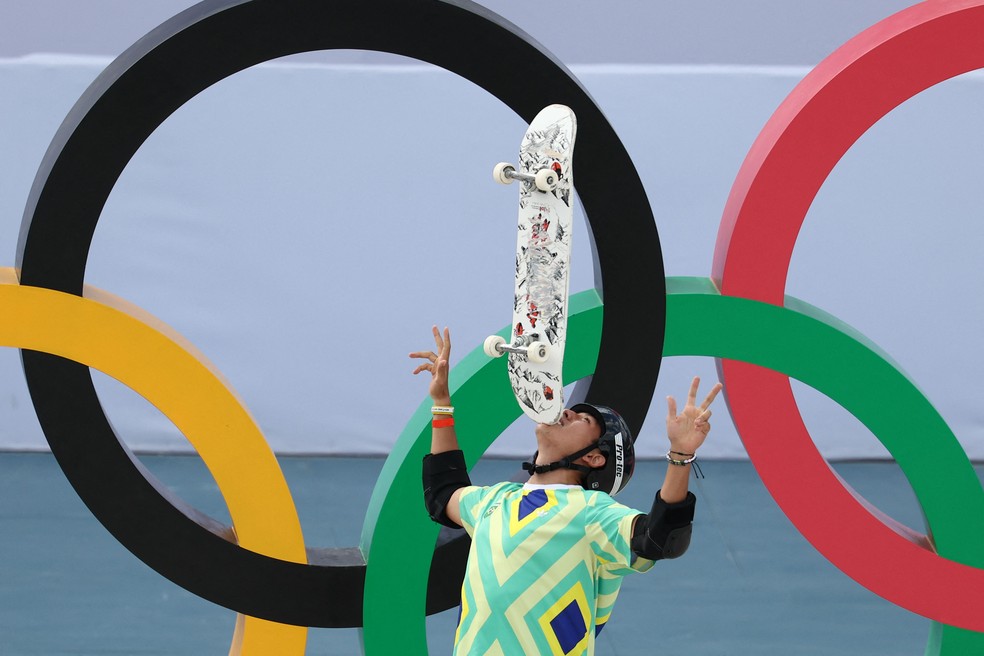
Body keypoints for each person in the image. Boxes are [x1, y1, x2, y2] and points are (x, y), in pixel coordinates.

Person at [412, 326, 722, 655]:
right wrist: (442, 403)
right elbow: (443, 493)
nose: (569, 410)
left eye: (583, 421)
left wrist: (680, 456)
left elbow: (660, 539)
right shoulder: (496, 500)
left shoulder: (592, 512)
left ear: (593, 457)